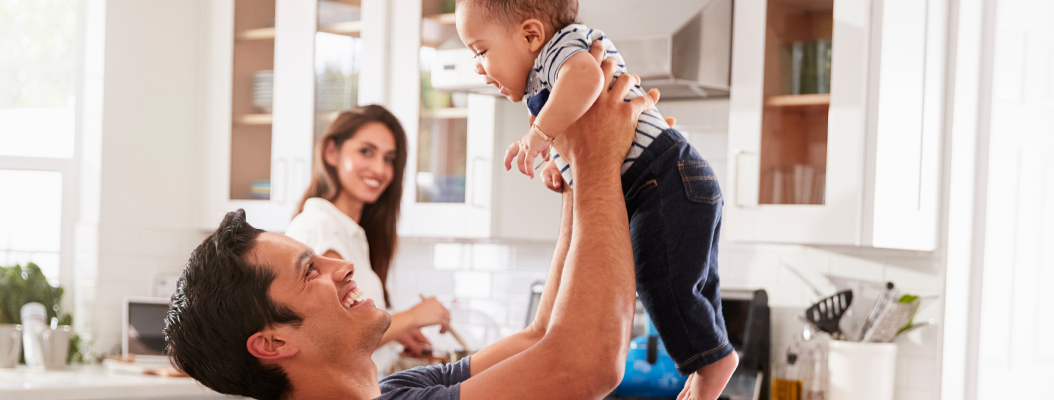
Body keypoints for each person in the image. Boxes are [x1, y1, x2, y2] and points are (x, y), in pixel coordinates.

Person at [164, 48, 659, 400]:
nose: (338, 266)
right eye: (309, 270)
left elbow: (539, 337)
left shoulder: (393, 389)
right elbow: (584, 366)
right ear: (273, 343)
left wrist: (578, 169)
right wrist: (596, 161)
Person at [455, 1, 737, 398]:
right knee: (691, 285)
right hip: (671, 179)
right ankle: (712, 356)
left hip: (663, 177)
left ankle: (710, 362)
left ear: (531, 35)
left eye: (481, 51)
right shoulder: (545, 76)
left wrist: (541, 137)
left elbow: (586, 80)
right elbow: (585, 130)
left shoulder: (562, 51)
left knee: (662, 280)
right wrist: (563, 165)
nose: (479, 68)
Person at [284, 104, 451, 375]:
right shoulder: (323, 226)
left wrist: (395, 331)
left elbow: (351, 330)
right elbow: (332, 340)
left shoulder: (351, 232)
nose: (380, 169)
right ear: (331, 153)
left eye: (389, 159)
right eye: (366, 152)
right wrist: (413, 317)